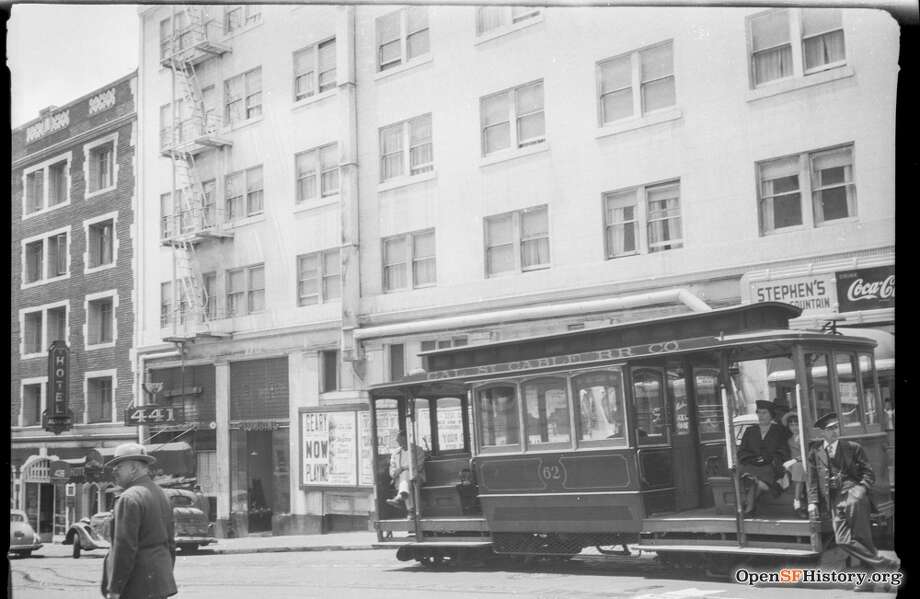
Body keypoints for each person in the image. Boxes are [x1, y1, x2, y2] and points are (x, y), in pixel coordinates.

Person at [807, 413, 899, 589]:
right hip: (834, 499)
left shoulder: (852, 447)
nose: (834, 432)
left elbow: (868, 473)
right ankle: (887, 566)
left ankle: (866, 582)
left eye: (836, 427)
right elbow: (811, 480)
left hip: (854, 496)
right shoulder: (815, 452)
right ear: (822, 434)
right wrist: (813, 502)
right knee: (843, 540)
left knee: (862, 538)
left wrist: (860, 490)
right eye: (829, 429)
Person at [101, 443, 177, 599]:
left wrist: (115, 589)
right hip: (159, 584)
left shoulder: (129, 498)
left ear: (133, 468)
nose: (114, 471)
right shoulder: (162, 495)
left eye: (118, 466)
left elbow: (124, 548)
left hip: (136, 586)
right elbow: (170, 544)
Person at [736, 400, 790, 516]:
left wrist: (769, 458)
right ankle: (750, 507)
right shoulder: (750, 431)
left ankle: (749, 506)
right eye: (759, 413)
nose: (761, 416)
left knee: (757, 477)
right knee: (749, 475)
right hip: (751, 464)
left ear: (771, 415)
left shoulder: (779, 431)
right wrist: (752, 459)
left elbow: (783, 450)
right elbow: (742, 451)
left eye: (764, 413)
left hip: (771, 465)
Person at [386, 431, 427, 518]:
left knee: (407, 475)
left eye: (399, 438)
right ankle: (410, 509)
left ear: (405, 438)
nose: (397, 441)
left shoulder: (418, 450)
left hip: (416, 477)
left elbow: (418, 466)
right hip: (400, 480)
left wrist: (403, 468)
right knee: (406, 481)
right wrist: (397, 472)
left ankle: (401, 500)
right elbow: (392, 471)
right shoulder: (395, 453)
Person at [781, 412, 807, 518]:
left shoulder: (804, 437)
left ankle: (797, 501)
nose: (794, 427)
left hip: (805, 463)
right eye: (791, 425)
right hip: (794, 466)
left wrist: (794, 461)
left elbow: (806, 453)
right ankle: (799, 499)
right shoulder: (789, 440)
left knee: (798, 467)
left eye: (796, 424)